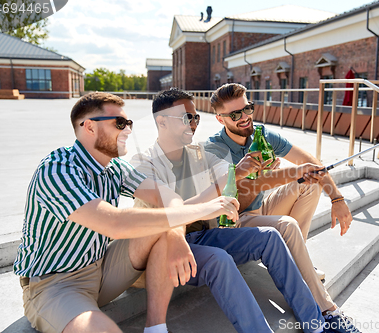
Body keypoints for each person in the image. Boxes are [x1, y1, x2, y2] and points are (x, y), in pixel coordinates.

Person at [13, 92, 240, 333]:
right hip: (55, 283)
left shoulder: (115, 167)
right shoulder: (57, 169)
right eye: (120, 123)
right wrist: (204, 209)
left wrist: (175, 235)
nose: (128, 130)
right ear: (89, 127)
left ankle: (155, 328)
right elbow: (114, 223)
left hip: (101, 268)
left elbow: (168, 198)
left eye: (129, 123)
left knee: (162, 224)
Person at [130, 88, 331, 333]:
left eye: (195, 118)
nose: (193, 124)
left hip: (201, 236)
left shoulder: (199, 154)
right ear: (161, 121)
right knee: (219, 259)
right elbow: (170, 214)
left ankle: (317, 325)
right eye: (186, 118)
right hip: (163, 247)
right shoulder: (143, 163)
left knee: (271, 237)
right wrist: (224, 189)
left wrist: (295, 172)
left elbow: (235, 178)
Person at [205, 83, 360, 333]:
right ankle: (328, 311)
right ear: (220, 118)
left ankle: (296, 261)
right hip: (233, 220)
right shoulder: (215, 149)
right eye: (235, 114)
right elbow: (236, 201)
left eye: (247, 109)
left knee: (310, 184)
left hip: (260, 207)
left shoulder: (262, 135)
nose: (245, 117)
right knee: (286, 223)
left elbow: (310, 162)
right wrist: (261, 174)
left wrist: (337, 199)